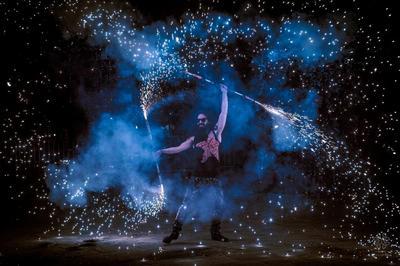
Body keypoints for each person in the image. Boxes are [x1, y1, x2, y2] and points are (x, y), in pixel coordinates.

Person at [155, 84, 229, 243]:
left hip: (214, 178)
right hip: (197, 178)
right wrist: (161, 151)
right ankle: (175, 233)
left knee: (219, 206)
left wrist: (224, 93)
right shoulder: (194, 138)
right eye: (198, 120)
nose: (200, 122)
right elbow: (178, 148)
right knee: (186, 206)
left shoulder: (216, 133)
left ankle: (215, 234)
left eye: (203, 119)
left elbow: (223, 113)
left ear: (208, 120)